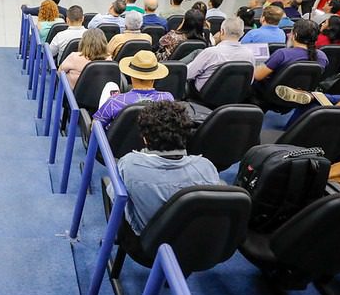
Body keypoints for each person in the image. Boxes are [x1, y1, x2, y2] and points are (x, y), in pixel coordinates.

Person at [113, 101, 221, 235]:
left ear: (145, 139)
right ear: (185, 133)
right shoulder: (206, 167)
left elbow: (115, 196)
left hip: (147, 243)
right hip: (192, 242)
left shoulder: (129, 164)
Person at [277, 72, 340, 157]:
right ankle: (311, 95)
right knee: (312, 100)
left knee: (313, 109)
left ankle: (287, 142)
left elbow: (333, 114)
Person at [93, 50, 173, 129]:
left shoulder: (114, 102)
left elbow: (95, 127)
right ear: (155, 76)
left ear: (132, 75)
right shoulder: (167, 99)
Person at [187, 17, 256, 92]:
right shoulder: (250, 54)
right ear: (242, 34)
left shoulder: (211, 52)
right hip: (235, 96)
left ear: (222, 31)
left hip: (203, 97)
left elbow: (188, 74)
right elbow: (250, 81)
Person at [254, 19, 327, 85]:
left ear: (295, 35)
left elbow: (257, 76)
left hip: (274, 95)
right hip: (305, 96)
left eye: (291, 32)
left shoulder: (282, 54)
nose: (288, 35)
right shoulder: (322, 56)